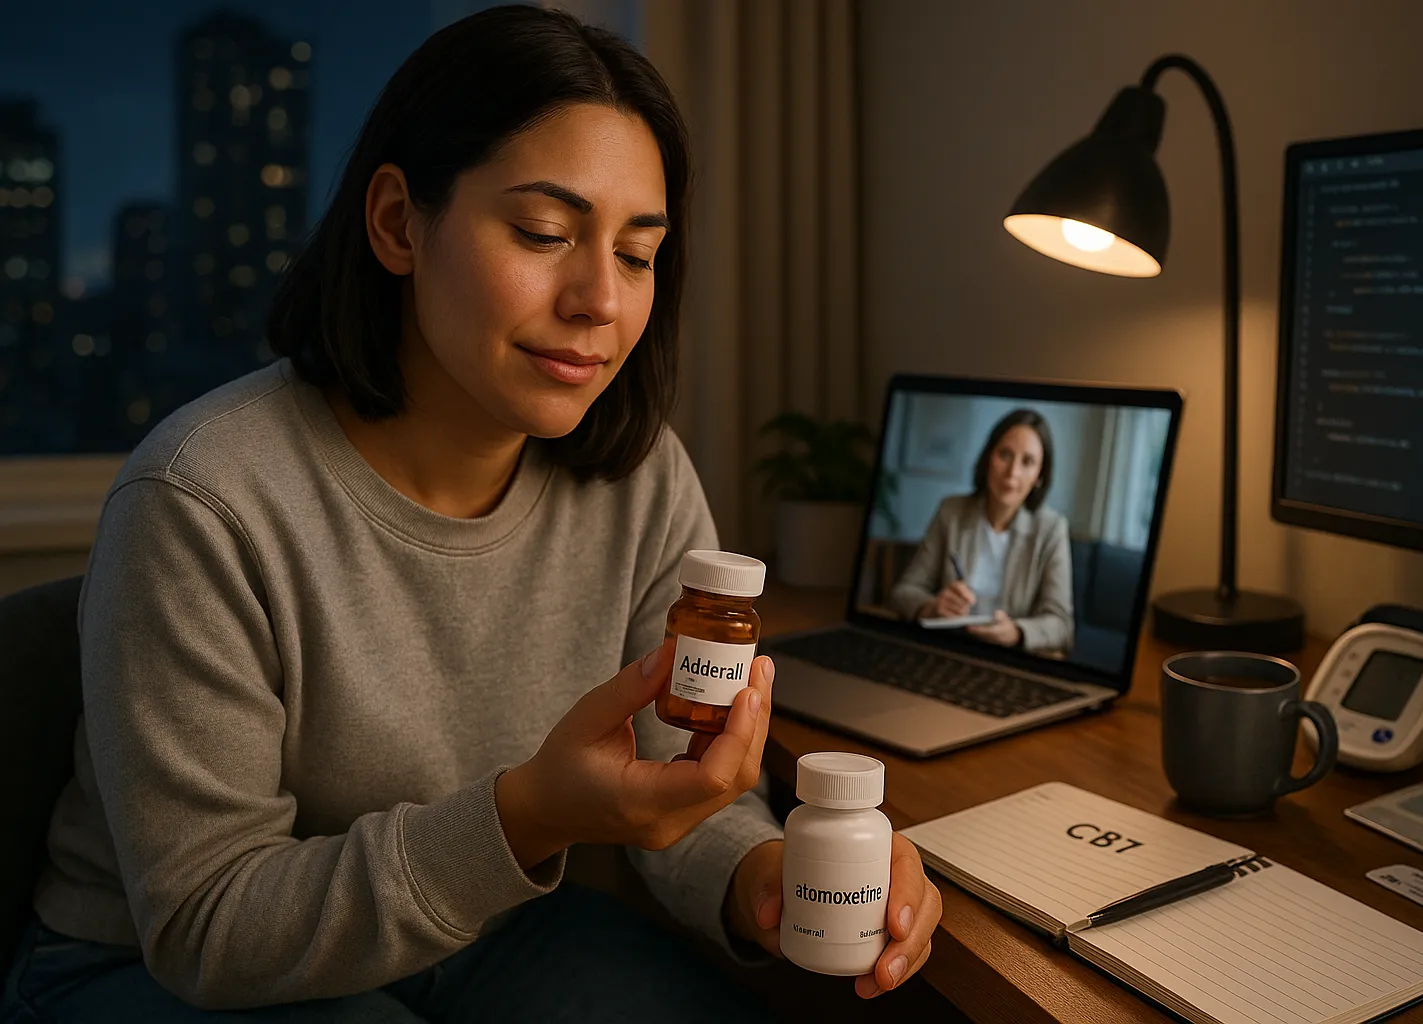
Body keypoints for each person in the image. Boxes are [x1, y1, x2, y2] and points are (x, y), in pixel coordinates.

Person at [0, 8, 941, 1022]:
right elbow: (207, 923)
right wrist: (522, 817)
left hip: (482, 929)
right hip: (154, 964)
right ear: (397, 223)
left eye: (637, 253)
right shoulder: (204, 498)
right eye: (544, 234)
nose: (599, 299)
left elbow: (677, 783)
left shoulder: (639, 479)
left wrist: (765, 875)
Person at [889, 408, 1074, 654]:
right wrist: (931, 608)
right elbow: (903, 592)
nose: (1012, 473)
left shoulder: (1052, 529)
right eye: (1005, 455)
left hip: (1010, 659)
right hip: (948, 648)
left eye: (1027, 462)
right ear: (988, 458)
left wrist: (1017, 632)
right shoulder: (951, 512)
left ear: (1039, 476)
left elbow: (1062, 625)